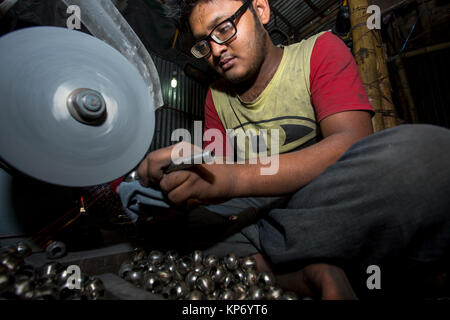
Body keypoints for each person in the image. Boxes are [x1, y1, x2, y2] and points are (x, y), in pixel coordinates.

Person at [123, 0, 450, 299]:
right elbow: (215, 176)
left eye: (224, 29)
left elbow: (350, 143)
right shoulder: (216, 97)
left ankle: (285, 261)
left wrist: (234, 179)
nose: (217, 50)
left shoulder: (319, 51)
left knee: (425, 155)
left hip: (320, 204)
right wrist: (182, 178)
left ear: (261, 10)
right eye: (203, 43)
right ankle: (310, 273)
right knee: (172, 226)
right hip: (265, 219)